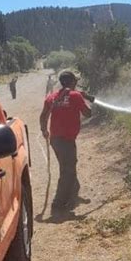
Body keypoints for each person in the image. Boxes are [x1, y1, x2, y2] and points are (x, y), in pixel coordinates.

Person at [40, 70, 92, 211]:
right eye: (75, 81)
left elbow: (43, 116)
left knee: (68, 166)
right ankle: (58, 203)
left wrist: (44, 130)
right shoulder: (75, 96)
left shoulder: (52, 97)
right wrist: (86, 100)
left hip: (56, 140)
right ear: (73, 82)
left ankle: (73, 195)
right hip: (66, 141)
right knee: (67, 170)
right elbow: (88, 114)